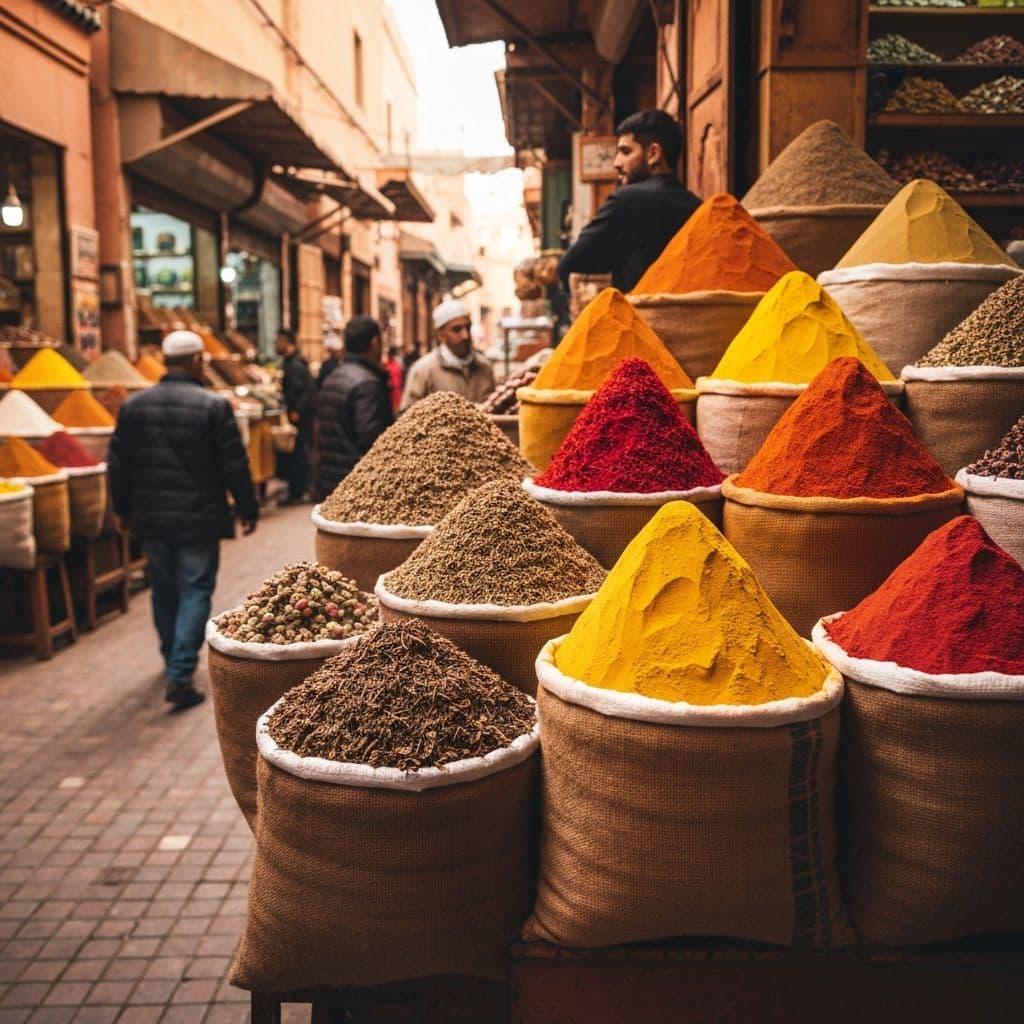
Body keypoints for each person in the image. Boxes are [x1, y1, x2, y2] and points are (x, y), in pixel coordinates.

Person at [108, 330, 258, 710]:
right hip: (199, 518)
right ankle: (179, 672)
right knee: (194, 589)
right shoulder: (213, 406)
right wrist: (247, 508)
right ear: (196, 361)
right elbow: (234, 465)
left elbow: (118, 465)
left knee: (164, 589)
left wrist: (122, 509)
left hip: (152, 519)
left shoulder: (134, 406)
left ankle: (172, 656)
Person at [557, 109, 702, 294]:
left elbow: (571, 263)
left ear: (653, 154)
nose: (616, 162)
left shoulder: (625, 201)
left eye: (625, 152)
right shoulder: (697, 206)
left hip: (639, 317)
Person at [315, 315, 395, 498]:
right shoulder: (368, 385)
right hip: (356, 485)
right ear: (375, 342)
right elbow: (373, 442)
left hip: (331, 479)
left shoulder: (333, 377)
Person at [399, 298, 496, 411]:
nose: (465, 335)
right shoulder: (423, 371)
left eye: (468, 327)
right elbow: (406, 417)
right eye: (457, 330)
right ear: (440, 334)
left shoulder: (485, 367)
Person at [275, 328, 315, 504]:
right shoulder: (292, 363)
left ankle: (297, 490)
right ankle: (299, 488)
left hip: (299, 416)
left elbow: (305, 391)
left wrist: (296, 410)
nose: (276, 345)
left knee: (296, 453)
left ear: (287, 343)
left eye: (279, 341)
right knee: (297, 453)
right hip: (298, 415)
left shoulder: (294, 365)